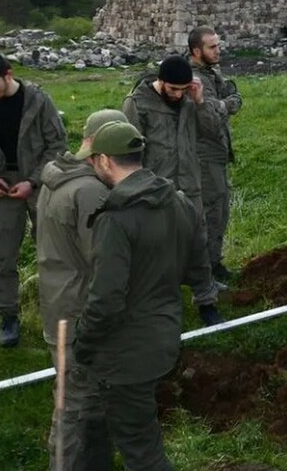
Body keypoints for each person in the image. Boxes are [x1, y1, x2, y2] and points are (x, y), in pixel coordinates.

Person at [59, 120, 208, 471]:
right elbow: (198, 269)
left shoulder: (117, 219)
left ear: (106, 161)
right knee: (98, 425)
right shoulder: (179, 202)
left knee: (142, 452)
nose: (92, 167)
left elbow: (107, 298)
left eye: (93, 160)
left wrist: (83, 342)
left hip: (125, 354)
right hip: (164, 337)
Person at [37, 108, 125, 468]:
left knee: (80, 397)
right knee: (74, 406)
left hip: (58, 302)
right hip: (78, 311)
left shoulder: (57, 177)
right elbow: (102, 257)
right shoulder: (89, 191)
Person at [0, 51, 68, 347]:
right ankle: (8, 316)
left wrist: (33, 181)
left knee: (53, 251)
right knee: (2, 253)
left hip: (41, 185)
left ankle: (58, 312)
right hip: (0, 187)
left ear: (9, 74)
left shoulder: (39, 102)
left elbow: (57, 145)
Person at [123, 55, 223, 325]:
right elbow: (129, 153)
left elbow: (213, 132)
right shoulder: (137, 103)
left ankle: (206, 300)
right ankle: (159, 306)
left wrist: (201, 102)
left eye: (183, 89)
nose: (178, 95)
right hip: (155, 188)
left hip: (190, 185)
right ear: (161, 81)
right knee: (157, 249)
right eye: (173, 90)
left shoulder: (192, 99)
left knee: (198, 242)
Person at [188, 25, 243, 283]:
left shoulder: (211, 73)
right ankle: (205, 270)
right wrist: (224, 105)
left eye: (218, 45)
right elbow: (209, 122)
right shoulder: (195, 80)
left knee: (220, 210)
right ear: (197, 51)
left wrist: (223, 104)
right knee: (211, 212)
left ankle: (214, 261)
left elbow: (235, 96)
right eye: (212, 47)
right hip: (204, 155)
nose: (218, 50)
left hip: (217, 153)